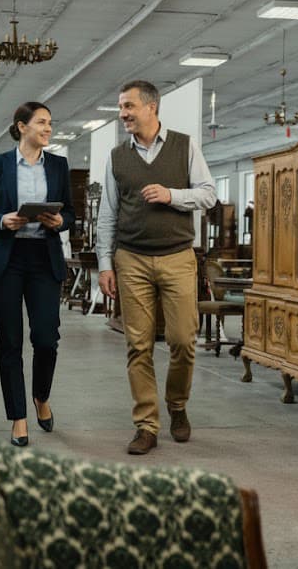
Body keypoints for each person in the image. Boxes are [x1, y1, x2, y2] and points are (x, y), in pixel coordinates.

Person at [96, 80, 217, 455]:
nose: (123, 114)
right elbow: (107, 215)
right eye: (121, 107)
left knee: (182, 339)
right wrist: (105, 264)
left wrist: (171, 195)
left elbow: (209, 194)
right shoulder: (117, 157)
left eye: (129, 106)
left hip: (178, 256)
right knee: (138, 345)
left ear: (152, 107)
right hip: (131, 258)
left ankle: (177, 404)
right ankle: (146, 424)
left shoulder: (184, 146)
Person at [0, 102, 75, 447]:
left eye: (50, 123)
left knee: (46, 338)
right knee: (10, 343)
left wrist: (60, 221)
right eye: (42, 122)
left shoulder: (58, 165)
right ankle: (18, 417)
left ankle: (41, 396)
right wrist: (2, 220)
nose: (48, 129)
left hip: (44, 258)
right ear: (22, 126)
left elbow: (70, 212)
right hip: (7, 259)